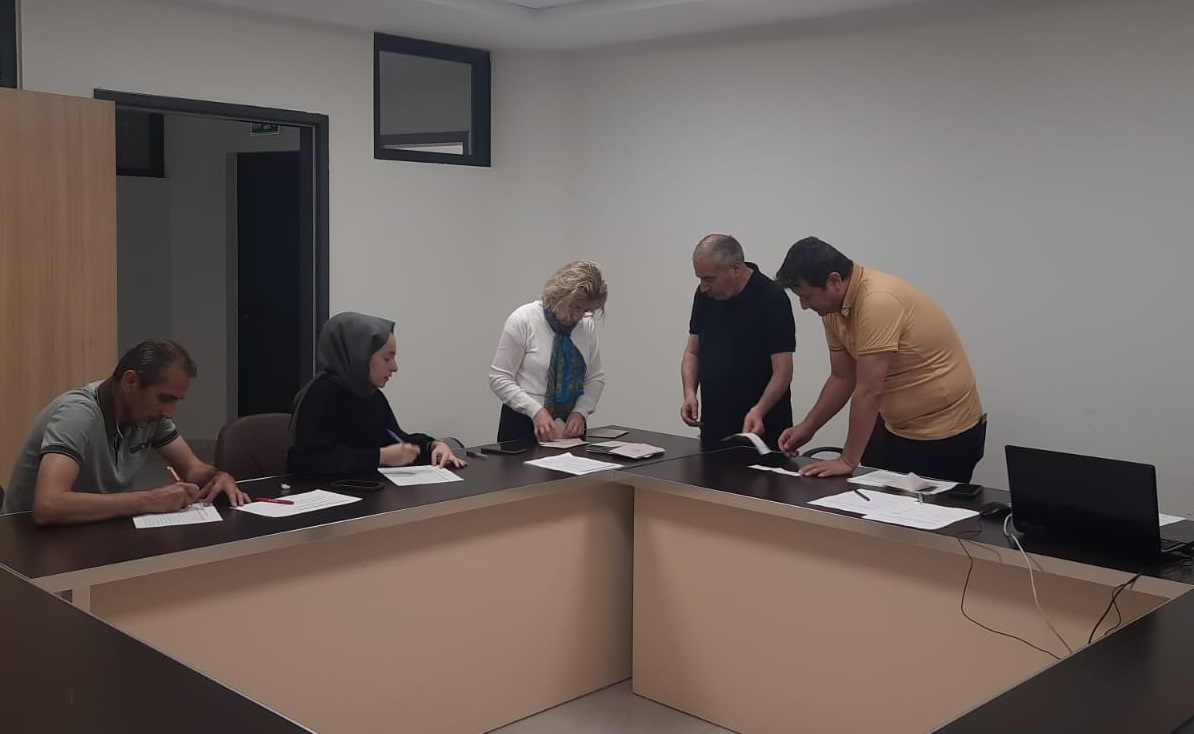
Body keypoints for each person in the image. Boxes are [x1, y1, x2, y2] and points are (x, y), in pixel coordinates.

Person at [775, 236, 986, 482]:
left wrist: (848, 460)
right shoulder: (832, 310)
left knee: (925, 505)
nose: (803, 305)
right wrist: (807, 428)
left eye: (807, 296)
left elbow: (869, 391)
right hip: (898, 428)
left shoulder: (878, 300)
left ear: (834, 281)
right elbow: (843, 377)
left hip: (945, 433)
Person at [1, 338, 249, 525]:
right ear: (130, 381)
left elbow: (192, 469)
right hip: (24, 546)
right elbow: (48, 506)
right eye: (164, 399)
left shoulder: (150, 416)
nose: (169, 412)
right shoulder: (77, 415)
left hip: (88, 531)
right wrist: (148, 500)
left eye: (176, 402)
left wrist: (217, 476)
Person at [287, 312, 465, 477]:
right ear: (360, 356)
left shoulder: (371, 395)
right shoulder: (319, 395)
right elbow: (307, 462)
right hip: (325, 498)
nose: (394, 367)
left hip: (368, 493)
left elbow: (396, 439)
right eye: (387, 358)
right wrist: (380, 457)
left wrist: (432, 445)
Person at [682, 234, 796, 449]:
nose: (704, 287)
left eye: (709, 279)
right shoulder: (704, 296)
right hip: (714, 426)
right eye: (700, 279)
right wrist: (689, 392)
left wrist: (759, 410)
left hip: (762, 428)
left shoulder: (771, 297)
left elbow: (783, 371)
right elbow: (692, 352)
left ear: (735, 268)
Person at [489, 261, 608, 444]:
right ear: (560, 295)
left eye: (585, 310)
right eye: (575, 307)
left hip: (568, 429)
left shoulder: (586, 326)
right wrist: (536, 411)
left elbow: (595, 378)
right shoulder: (524, 319)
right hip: (523, 424)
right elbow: (499, 378)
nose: (577, 316)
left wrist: (580, 412)